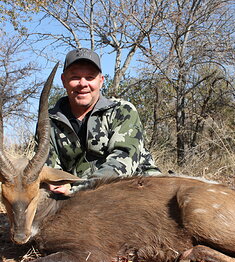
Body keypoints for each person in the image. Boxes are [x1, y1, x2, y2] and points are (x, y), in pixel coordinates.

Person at [46, 48, 161, 194]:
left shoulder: (122, 110)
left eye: (90, 77)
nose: (83, 84)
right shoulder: (48, 120)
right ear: (63, 81)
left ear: (101, 81)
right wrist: (57, 186)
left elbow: (122, 162)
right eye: (75, 77)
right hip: (76, 198)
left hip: (136, 187)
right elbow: (49, 169)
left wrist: (77, 190)